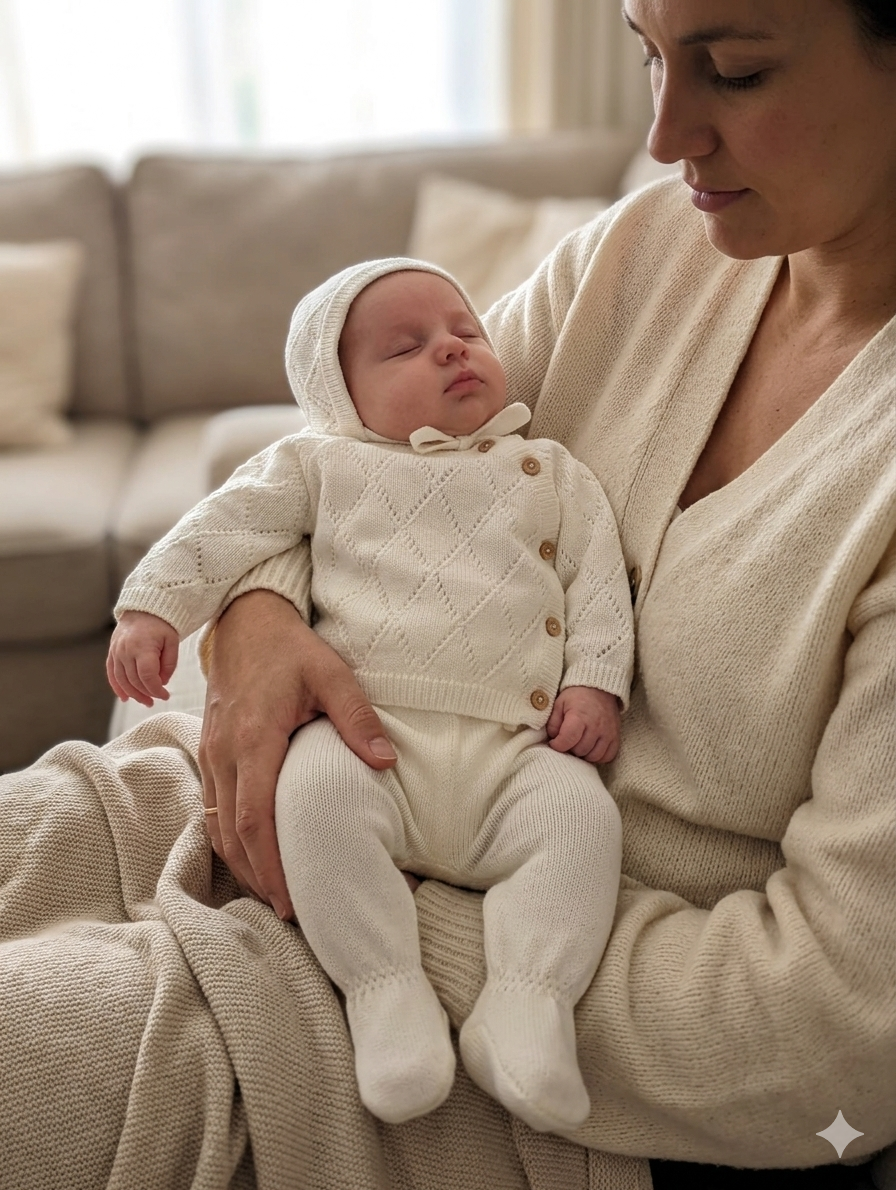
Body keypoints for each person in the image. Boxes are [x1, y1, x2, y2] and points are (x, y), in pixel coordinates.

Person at [0, 0, 893, 1186]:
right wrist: (258, 618)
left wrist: (365, 910)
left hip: (533, 1041)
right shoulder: (645, 255)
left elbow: (827, 1033)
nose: (664, 133)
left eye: (732, 71)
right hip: (288, 802)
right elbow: (349, 459)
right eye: (644, 54)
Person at [107, 259, 633, 1131]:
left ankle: (527, 1005)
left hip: (518, 751)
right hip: (367, 737)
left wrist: (595, 684)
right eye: (405, 348)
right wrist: (151, 608)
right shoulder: (321, 462)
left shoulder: (552, 470)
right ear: (340, 395)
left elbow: (599, 586)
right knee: (312, 802)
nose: (452, 350)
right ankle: (385, 996)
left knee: (581, 824)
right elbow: (223, 525)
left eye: (465, 330)